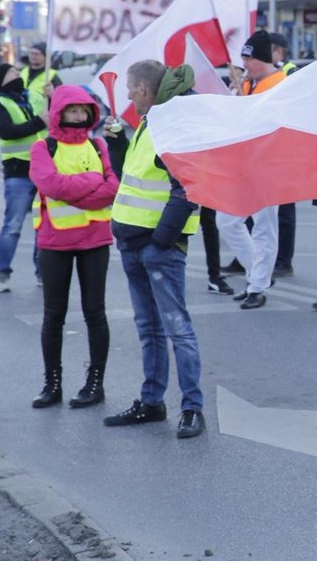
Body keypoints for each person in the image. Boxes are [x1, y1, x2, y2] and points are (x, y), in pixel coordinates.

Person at [103, 60, 205, 439]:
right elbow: (134, 179)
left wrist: (161, 241)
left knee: (177, 329)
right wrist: (118, 145)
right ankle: (151, 402)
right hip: (134, 243)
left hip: (155, 247)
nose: (127, 95)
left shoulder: (171, 123)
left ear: (144, 89)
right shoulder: (153, 119)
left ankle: (192, 409)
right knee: (149, 329)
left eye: (131, 88)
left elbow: (187, 189)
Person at [28, 85, 119, 409]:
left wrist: (73, 190)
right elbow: (49, 184)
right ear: (59, 113)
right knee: (54, 315)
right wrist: (91, 182)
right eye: (73, 110)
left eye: (84, 110)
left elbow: (112, 188)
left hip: (95, 239)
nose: (80, 116)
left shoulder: (98, 144)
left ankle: (96, 383)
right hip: (55, 242)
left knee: (95, 312)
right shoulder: (44, 147)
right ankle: (52, 383)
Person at [217, 31, 286, 309]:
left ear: (263, 59)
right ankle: (257, 276)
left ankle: (257, 285)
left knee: (264, 228)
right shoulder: (249, 83)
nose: (245, 64)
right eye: (243, 58)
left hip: (269, 165)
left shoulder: (280, 84)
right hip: (244, 164)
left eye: (249, 59)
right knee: (227, 221)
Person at [0, 63, 47, 292]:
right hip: (18, 172)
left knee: (41, 225)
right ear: (1, 80)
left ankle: (41, 271)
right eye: (12, 73)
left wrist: (53, 95)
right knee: (12, 226)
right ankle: (2, 273)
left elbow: (53, 116)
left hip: (43, 170)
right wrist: (39, 123)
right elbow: (7, 131)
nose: (17, 75)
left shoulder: (34, 96)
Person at [267, 32, 298, 276]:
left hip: (285, 148)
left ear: (279, 52)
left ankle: (284, 259)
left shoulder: (290, 73)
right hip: (267, 149)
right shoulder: (263, 74)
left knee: (285, 212)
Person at [20, 42, 61, 116]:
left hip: (42, 117)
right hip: (23, 114)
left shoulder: (51, 75)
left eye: (37, 54)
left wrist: (52, 95)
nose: (33, 56)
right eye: (31, 53)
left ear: (45, 57)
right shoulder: (22, 72)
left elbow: (60, 99)